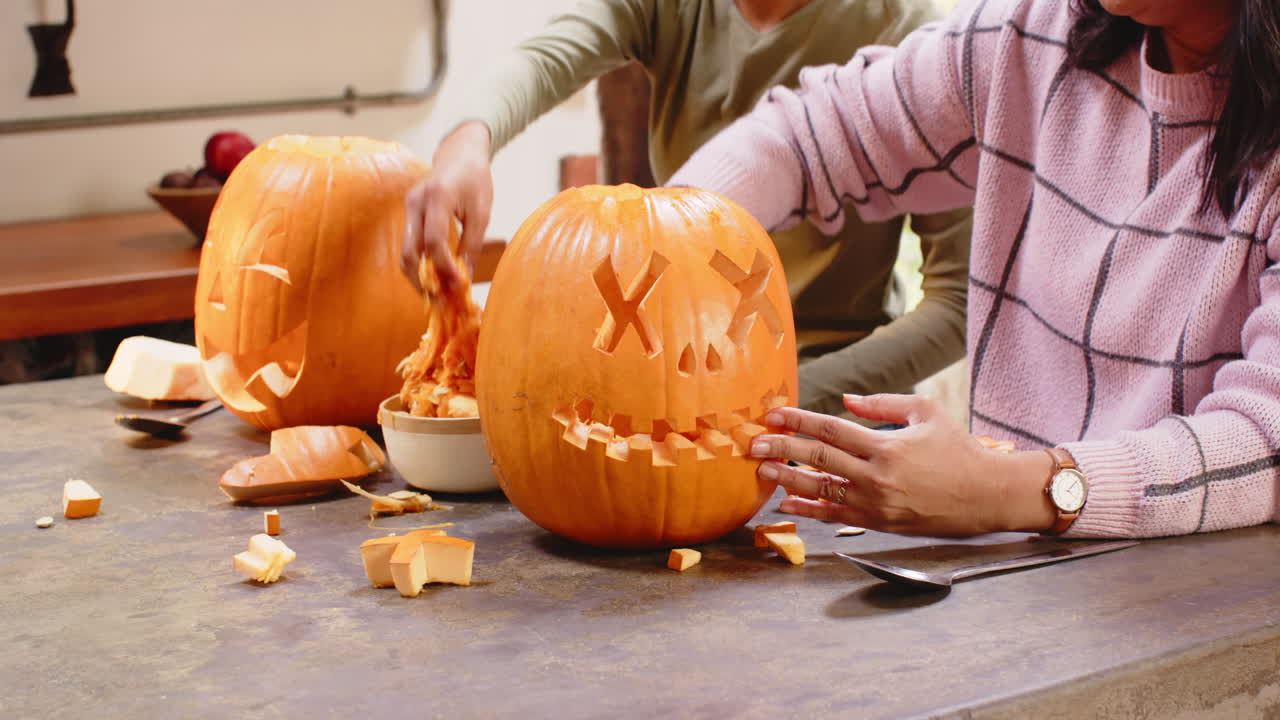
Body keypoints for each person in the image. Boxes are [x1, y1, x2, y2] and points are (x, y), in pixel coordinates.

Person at [668, 0, 1280, 538]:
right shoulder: (1035, 30)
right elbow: (810, 134)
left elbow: (1264, 443)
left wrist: (1001, 491)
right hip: (1008, 588)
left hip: (1201, 620)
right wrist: (665, 238)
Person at [401, 0, 974, 416]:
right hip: (664, 383)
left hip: (823, 400)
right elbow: (547, 58)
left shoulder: (911, 38)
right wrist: (466, 144)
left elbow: (956, 305)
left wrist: (780, 394)